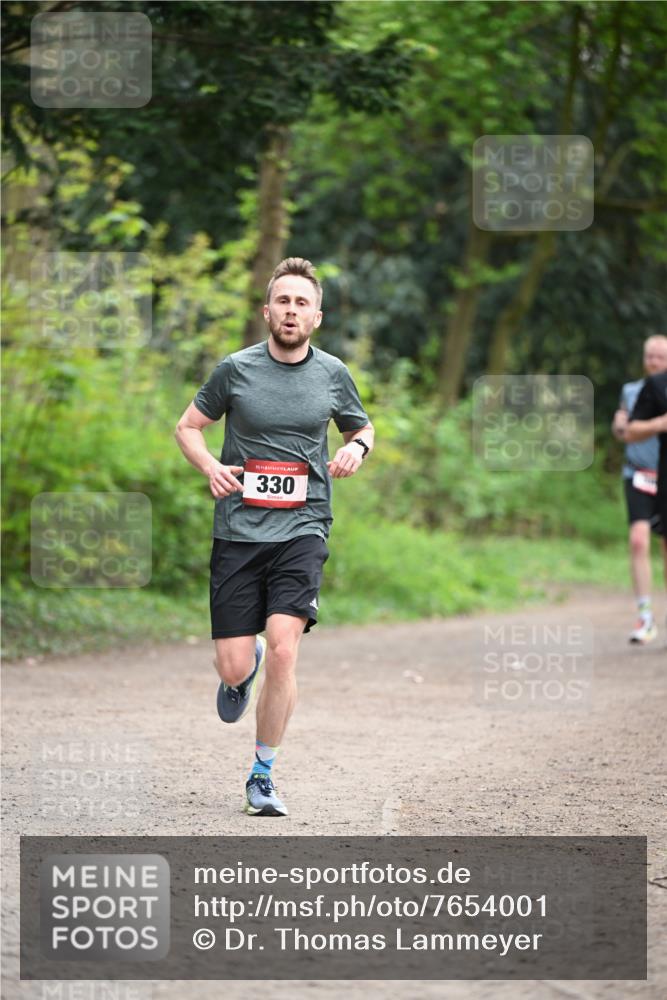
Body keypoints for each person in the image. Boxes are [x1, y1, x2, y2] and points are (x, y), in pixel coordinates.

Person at [174, 257, 374, 816]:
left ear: (317, 317)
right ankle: (247, 660)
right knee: (236, 667)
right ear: (267, 311)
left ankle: (262, 774)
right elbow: (187, 426)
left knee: (287, 650)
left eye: (301, 303)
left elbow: (362, 426)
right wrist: (210, 466)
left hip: (304, 525)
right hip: (239, 529)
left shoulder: (333, 374)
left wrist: (356, 448)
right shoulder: (235, 370)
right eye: (282, 301)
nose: (291, 311)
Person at [612, 336, 667, 644]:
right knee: (637, 540)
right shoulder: (631, 391)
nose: (654, 361)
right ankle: (645, 614)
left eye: (660, 356)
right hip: (637, 475)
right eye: (650, 355)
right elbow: (622, 430)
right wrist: (656, 424)